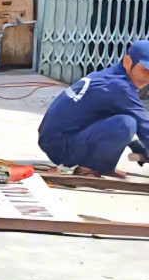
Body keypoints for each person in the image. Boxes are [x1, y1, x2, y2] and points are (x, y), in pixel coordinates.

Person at [37, 41, 149, 178]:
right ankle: (90, 167)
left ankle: (101, 166)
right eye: (145, 70)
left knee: (125, 120)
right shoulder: (119, 87)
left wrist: (136, 145)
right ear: (127, 61)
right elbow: (145, 127)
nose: (148, 77)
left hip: (55, 140)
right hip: (60, 146)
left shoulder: (110, 76)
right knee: (127, 123)